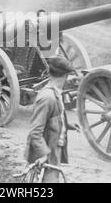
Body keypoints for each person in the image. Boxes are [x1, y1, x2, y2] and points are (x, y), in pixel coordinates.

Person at [24, 55, 79, 183]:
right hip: (45, 154)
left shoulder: (56, 93)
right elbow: (35, 131)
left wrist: (68, 125)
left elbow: (54, 117)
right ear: (65, 76)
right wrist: (43, 154)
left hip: (53, 150)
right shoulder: (47, 97)